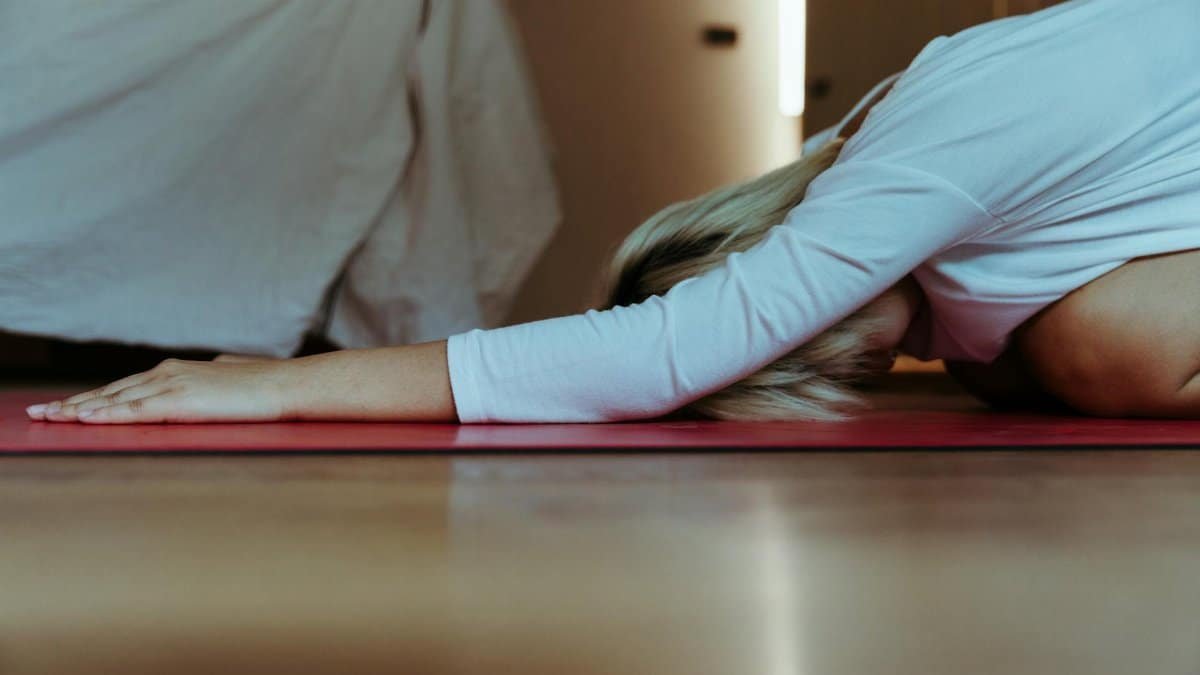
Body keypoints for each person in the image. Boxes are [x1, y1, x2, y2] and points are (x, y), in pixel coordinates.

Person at [27, 0, 1200, 425]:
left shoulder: (914, 157)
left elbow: (665, 350)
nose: (832, 367)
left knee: (1097, 350)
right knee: (1054, 349)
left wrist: (276, 384)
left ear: (758, 253)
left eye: (776, 342)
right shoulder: (939, 239)